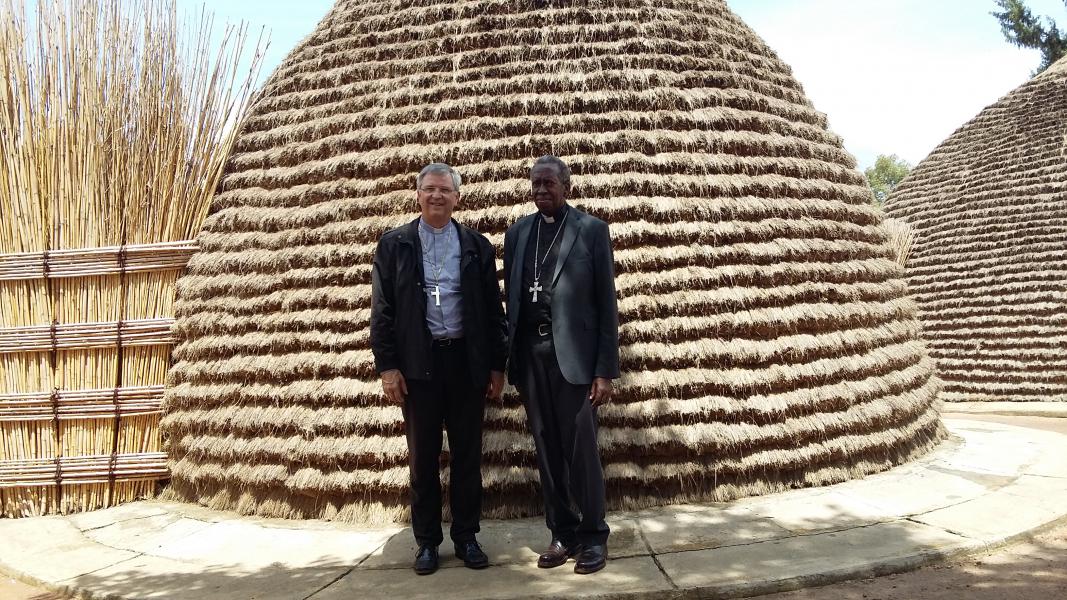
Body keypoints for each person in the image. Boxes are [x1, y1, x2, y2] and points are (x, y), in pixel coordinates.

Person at [370, 162, 508, 575]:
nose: (436, 196)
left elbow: (491, 310)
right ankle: (427, 542)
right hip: (418, 366)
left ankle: (466, 536)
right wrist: (388, 367)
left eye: (444, 190)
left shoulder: (476, 246)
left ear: (456, 196)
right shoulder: (394, 245)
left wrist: (496, 366)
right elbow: (383, 312)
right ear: (417, 194)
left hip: (465, 362)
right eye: (429, 189)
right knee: (423, 459)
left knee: (468, 455)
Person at [502, 155, 620, 575]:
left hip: (574, 361)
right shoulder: (517, 233)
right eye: (535, 184)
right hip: (531, 360)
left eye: (549, 183)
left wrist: (604, 370)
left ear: (567, 186)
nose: (541, 191)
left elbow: (607, 305)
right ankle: (561, 533)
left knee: (581, 452)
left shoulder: (591, 231)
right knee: (546, 449)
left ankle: (593, 536)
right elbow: (511, 300)